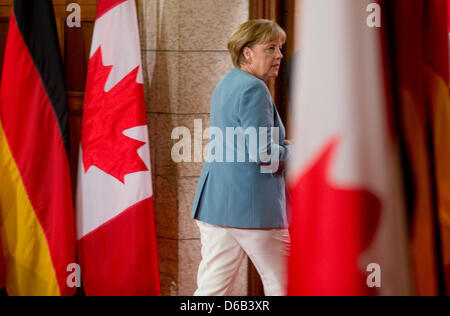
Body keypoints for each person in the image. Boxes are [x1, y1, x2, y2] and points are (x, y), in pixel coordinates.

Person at [191, 20, 291, 296]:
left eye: (280, 48)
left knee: (211, 290)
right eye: (270, 48)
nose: (279, 55)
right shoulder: (254, 88)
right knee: (287, 286)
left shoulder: (229, 81)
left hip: (216, 206)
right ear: (248, 52)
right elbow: (264, 154)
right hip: (253, 208)